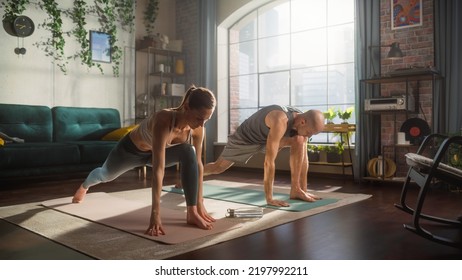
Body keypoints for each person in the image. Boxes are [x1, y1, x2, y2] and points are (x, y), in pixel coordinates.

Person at [72, 85, 216, 236]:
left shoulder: (198, 128)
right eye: (199, 118)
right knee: (105, 174)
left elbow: (198, 165)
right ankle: (84, 186)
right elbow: (158, 169)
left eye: (207, 119)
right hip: (130, 151)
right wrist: (155, 213)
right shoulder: (163, 119)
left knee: (189, 151)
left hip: (153, 155)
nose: (202, 124)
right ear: (186, 107)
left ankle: (191, 212)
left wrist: (199, 204)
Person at [204, 105, 325, 207]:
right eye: (309, 132)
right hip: (245, 139)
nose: (309, 136)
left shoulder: (301, 121)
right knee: (218, 167)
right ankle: (190, 174)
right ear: (303, 122)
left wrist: (304, 191)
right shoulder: (280, 120)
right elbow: (269, 162)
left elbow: (303, 153)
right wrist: (269, 198)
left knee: (300, 140)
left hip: (265, 138)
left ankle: (298, 190)